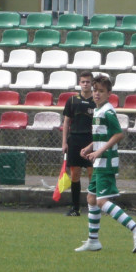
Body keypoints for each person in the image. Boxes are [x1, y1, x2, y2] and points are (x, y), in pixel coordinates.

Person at [76, 73, 136, 253]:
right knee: (91, 198)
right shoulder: (97, 110)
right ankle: (93, 241)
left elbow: (118, 134)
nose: (97, 94)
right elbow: (103, 136)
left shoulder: (108, 111)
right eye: (95, 90)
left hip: (106, 162)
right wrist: (89, 147)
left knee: (101, 201)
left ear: (109, 93)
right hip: (99, 160)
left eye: (101, 91)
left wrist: (100, 151)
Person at [60, 71, 95, 216]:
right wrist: (64, 142)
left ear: (92, 84)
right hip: (74, 139)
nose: (85, 84)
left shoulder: (96, 101)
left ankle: (94, 206)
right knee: (75, 174)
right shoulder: (72, 100)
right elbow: (67, 121)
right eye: (83, 81)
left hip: (91, 140)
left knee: (92, 174)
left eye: (88, 81)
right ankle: (75, 207)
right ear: (79, 83)